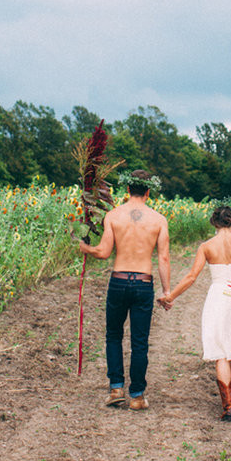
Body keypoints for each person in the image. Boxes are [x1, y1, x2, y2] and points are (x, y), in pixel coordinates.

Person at [157, 204, 231, 422]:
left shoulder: (206, 246)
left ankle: (228, 406)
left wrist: (171, 296)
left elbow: (191, 277)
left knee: (222, 352)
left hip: (218, 297)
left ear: (214, 222)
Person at [79, 169, 170, 410]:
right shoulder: (159, 220)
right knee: (139, 341)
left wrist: (84, 247)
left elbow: (103, 252)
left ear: (128, 189)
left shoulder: (113, 216)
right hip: (143, 283)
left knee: (114, 335)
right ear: (148, 192)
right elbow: (164, 258)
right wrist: (166, 291)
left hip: (118, 281)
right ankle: (138, 396)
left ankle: (116, 388)